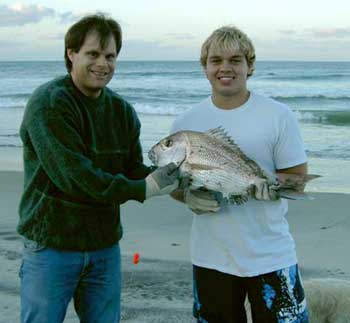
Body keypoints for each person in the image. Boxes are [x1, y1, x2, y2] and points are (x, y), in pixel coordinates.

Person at [18, 14, 179, 323]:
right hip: (51, 246)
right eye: (92, 54)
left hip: (104, 246)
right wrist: (146, 188)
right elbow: (74, 177)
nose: (102, 63)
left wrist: (177, 181)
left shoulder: (122, 111)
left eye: (110, 56)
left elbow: (132, 168)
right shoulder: (49, 103)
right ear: (71, 53)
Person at [171, 26, 309, 323]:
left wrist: (266, 185)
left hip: (271, 255)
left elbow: (297, 182)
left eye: (235, 60)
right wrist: (188, 196)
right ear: (204, 67)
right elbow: (173, 183)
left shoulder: (278, 115)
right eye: (216, 60)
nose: (225, 67)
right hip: (210, 257)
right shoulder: (185, 124)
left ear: (250, 65)